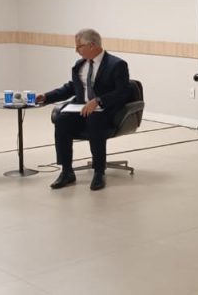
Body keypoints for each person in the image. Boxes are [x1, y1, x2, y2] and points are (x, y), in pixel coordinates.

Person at [36, 28, 130, 191]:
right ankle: (66, 171)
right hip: (80, 108)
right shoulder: (80, 65)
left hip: (104, 111)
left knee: (95, 119)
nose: (76, 50)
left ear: (92, 45)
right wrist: (46, 96)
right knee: (62, 120)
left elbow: (123, 92)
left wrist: (98, 101)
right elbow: (71, 87)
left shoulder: (116, 65)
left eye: (79, 46)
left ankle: (99, 172)